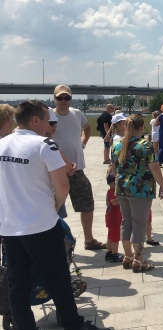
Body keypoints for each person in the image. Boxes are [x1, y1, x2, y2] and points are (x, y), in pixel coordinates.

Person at [0, 100, 111, 330]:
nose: (52, 124)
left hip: (10, 227)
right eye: (48, 120)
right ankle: (74, 327)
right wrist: (54, 207)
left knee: (17, 283)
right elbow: (63, 185)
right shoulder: (44, 145)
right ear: (35, 120)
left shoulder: (2, 144)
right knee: (58, 278)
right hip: (41, 225)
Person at [110, 114, 163, 273]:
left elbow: (114, 168)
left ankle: (127, 256)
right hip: (140, 190)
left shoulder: (118, 145)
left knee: (126, 222)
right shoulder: (145, 145)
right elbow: (154, 167)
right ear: (141, 127)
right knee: (139, 224)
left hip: (122, 188)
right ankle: (139, 259)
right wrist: (162, 186)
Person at [52, 84, 106, 250]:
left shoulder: (77, 113)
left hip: (77, 170)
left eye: (66, 97)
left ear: (71, 99)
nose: (63, 101)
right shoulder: (48, 116)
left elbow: (87, 128)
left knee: (87, 202)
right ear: (54, 98)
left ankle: (89, 240)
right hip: (55, 171)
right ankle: (54, 242)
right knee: (52, 207)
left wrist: (83, 142)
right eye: (59, 98)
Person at [104, 173, 123, 263]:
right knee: (115, 238)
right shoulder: (112, 192)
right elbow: (114, 202)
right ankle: (114, 255)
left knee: (110, 236)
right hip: (114, 218)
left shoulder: (110, 191)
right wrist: (121, 197)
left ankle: (109, 252)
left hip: (111, 217)